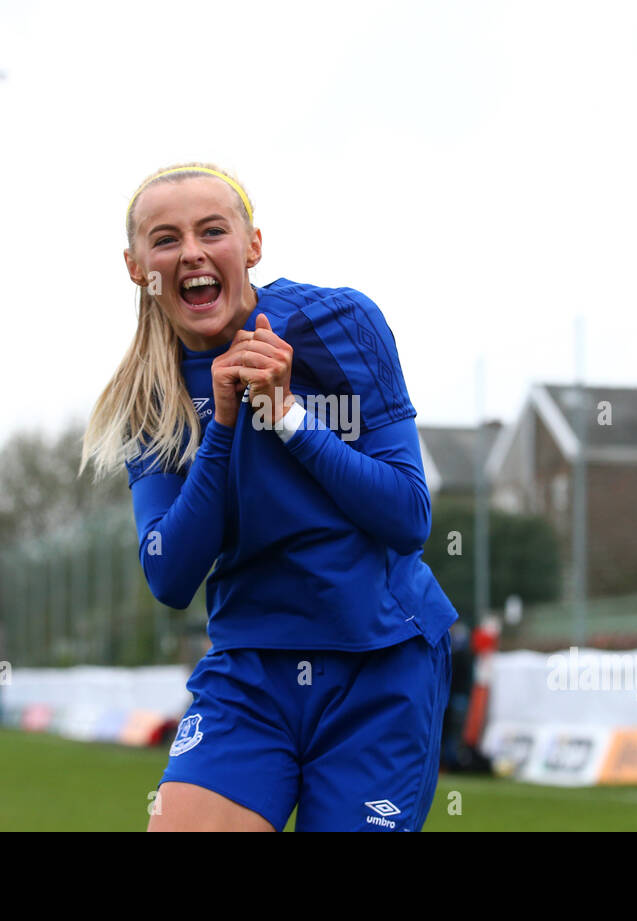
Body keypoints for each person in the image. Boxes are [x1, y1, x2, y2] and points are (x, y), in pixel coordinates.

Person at [80, 162, 458, 832]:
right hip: (250, 672)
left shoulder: (339, 322)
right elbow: (170, 573)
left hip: (381, 660)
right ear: (137, 267)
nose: (191, 252)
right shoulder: (152, 399)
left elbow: (408, 515)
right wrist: (225, 424)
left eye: (211, 230)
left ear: (252, 245)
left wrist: (286, 416)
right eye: (165, 239)